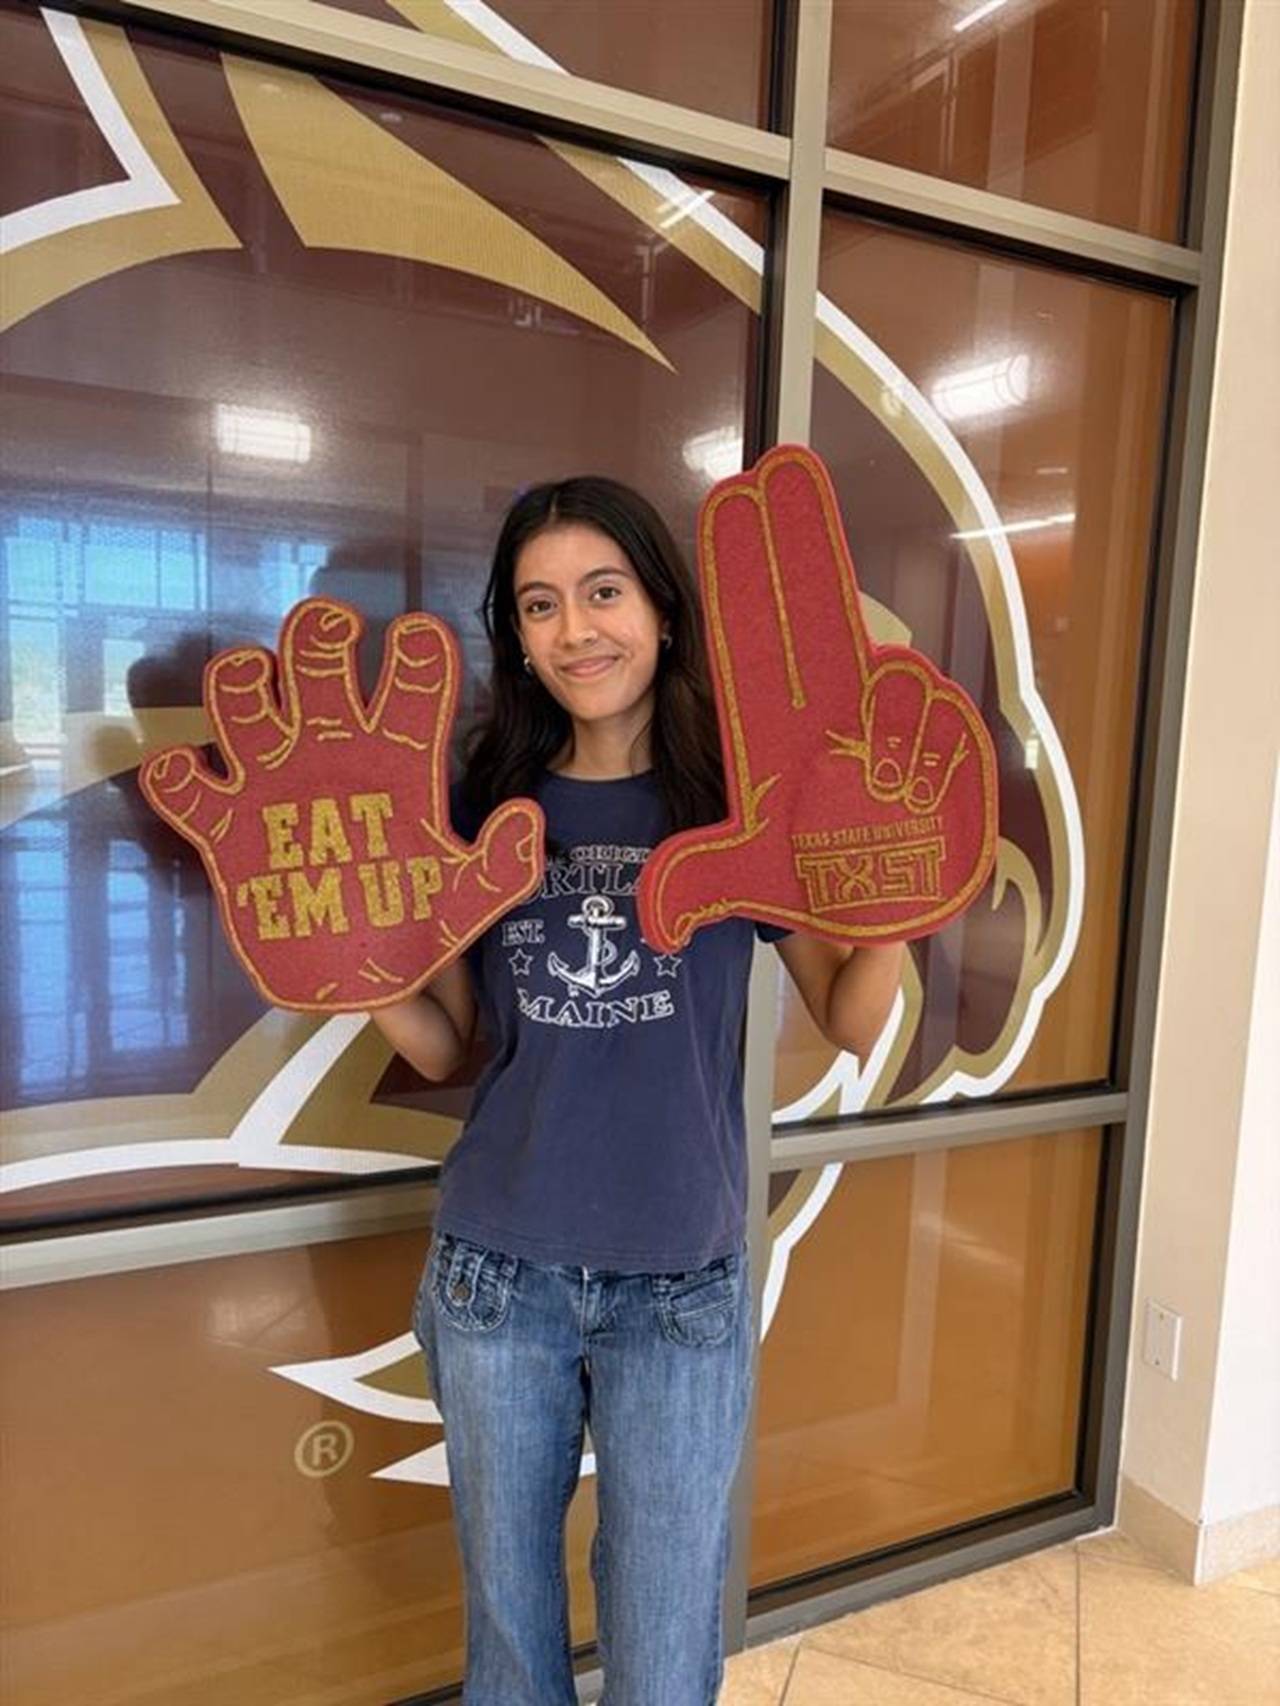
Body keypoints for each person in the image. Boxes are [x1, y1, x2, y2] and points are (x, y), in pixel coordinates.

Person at [370, 476, 903, 1706]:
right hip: (499, 1274)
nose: (575, 631)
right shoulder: (483, 800)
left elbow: (848, 1011)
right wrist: (349, 967)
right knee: (511, 1653)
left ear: (661, 608)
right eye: (539, 604)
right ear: (515, 631)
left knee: (664, 1663)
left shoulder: (735, 803)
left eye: (602, 592)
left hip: (681, 1283)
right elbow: (446, 1044)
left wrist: (896, 898)